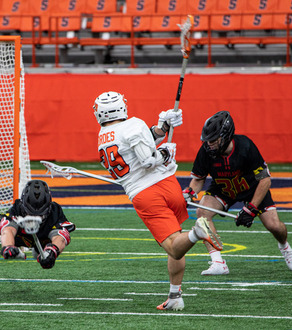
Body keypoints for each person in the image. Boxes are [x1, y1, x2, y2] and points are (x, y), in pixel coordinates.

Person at [94, 91, 223, 311]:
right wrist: (162, 135)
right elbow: (144, 149)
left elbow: (146, 159)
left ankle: (198, 232)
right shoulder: (132, 124)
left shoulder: (103, 135)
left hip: (146, 193)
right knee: (176, 241)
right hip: (169, 185)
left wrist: (163, 146)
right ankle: (175, 296)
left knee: (174, 246)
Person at [182, 110, 292, 275]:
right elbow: (198, 179)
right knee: (202, 212)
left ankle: (284, 246)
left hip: (253, 189)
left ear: (226, 136)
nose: (209, 144)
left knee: (274, 226)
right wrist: (189, 192)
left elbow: (265, 179)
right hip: (224, 188)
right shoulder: (206, 151)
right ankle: (218, 262)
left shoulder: (245, 146)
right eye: (207, 140)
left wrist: (251, 208)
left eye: (214, 140)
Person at [0, 179, 75, 269]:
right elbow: (8, 230)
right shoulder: (16, 208)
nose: (34, 218)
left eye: (40, 215)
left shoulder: (54, 211)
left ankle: (40, 250)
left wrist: (52, 251)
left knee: (44, 250)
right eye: (30, 214)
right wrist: (8, 246)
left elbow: (61, 236)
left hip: (44, 240)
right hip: (23, 237)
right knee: (8, 230)